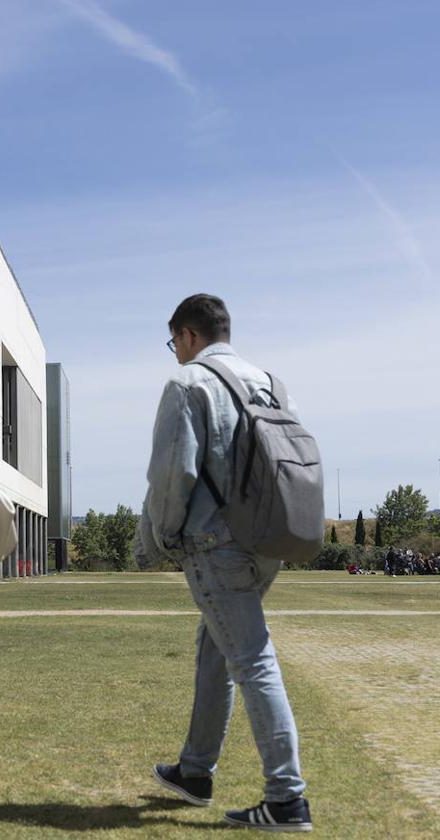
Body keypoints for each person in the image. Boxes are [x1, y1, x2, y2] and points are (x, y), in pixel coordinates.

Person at [138, 294, 313, 832]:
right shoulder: (269, 383)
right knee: (217, 649)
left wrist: (162, 539)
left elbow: (172, 475)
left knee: (253, 661)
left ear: (188, 336)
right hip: (266, 544)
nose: (175, 353)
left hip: (216, 547)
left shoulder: (188, 385)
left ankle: (287, 799)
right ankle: (195, 771)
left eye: (175, 343)